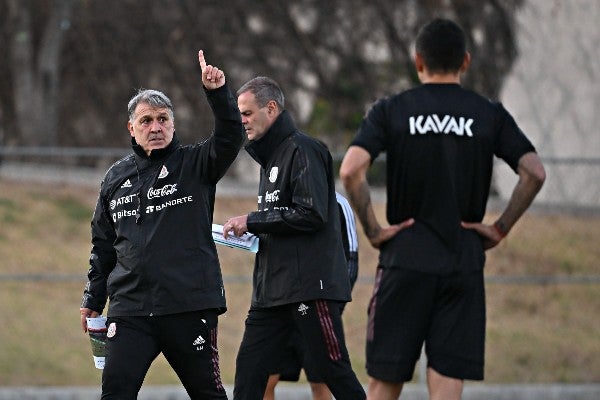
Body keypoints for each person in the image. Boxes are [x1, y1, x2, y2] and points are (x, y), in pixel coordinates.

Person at [339, 18, 546, 400]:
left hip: (405, 258)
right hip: (462, 260)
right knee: (447, 381)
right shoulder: (488, 114)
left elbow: (351, 170)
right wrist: (499, 228)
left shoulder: (393, 110)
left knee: (385, 382)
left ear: (419, 61)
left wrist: (373, 230)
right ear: (465, 62)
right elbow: (533, 172)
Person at [78, 50, 244, 399]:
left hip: (187, 306)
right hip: (130, 311)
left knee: (209, 393)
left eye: (163, 119)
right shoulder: (115, 177)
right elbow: (103, 246)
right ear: (131, 127)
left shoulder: (196, 164)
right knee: (116, 392)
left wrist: (217, 94)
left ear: (173, 123)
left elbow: (230, 138)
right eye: (147, 120)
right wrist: (94, 297)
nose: (155, 127)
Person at [222, 76, 366, 400]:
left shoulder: (305, 150)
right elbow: (280, 223)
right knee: (249, 374)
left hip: (307, 290)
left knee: (333, 372)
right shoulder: (268, 160)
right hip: (271, 295)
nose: (241, 120)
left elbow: (311, 213)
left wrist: (253, 221)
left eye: (246, 113)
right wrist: (252, 232)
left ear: (270, 108)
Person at [263, 191, 360, 400]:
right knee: (264, 379)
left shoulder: (338, 203)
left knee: (322, 382)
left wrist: (333, 308)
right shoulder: (279, 200)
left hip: (317, 307)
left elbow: (351, 259)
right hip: (281, 306)